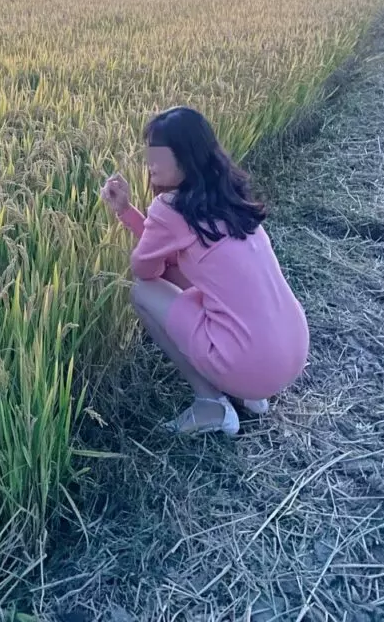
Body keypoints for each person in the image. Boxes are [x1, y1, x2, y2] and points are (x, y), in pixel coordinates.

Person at [101, 105, 309, 436]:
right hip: (292, 351)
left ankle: (211, 404)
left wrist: (128, 215)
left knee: (141, 290)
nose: (150, 162)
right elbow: (171, 253)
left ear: (186, 156)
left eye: (159, 153)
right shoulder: (228, 196)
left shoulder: (171, 207)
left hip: (249, 362)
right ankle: (248, 395)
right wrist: (128, 212)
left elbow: (144, 267)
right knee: (195, 280)